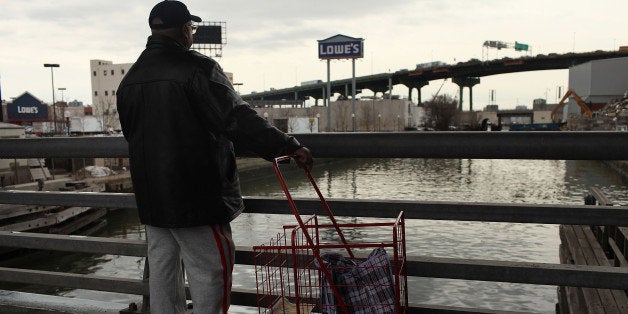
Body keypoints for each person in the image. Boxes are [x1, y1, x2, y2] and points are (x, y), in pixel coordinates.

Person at [116, 1, 313, 313]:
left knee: (163, 273)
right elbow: (236, 117)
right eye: (191, 28)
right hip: (196, 196)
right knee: (211, 271)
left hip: (152, 197)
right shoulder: (197, 68)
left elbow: (131, 134)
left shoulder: (130, 80)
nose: (191, 33)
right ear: (184, 30)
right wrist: (286, 145)